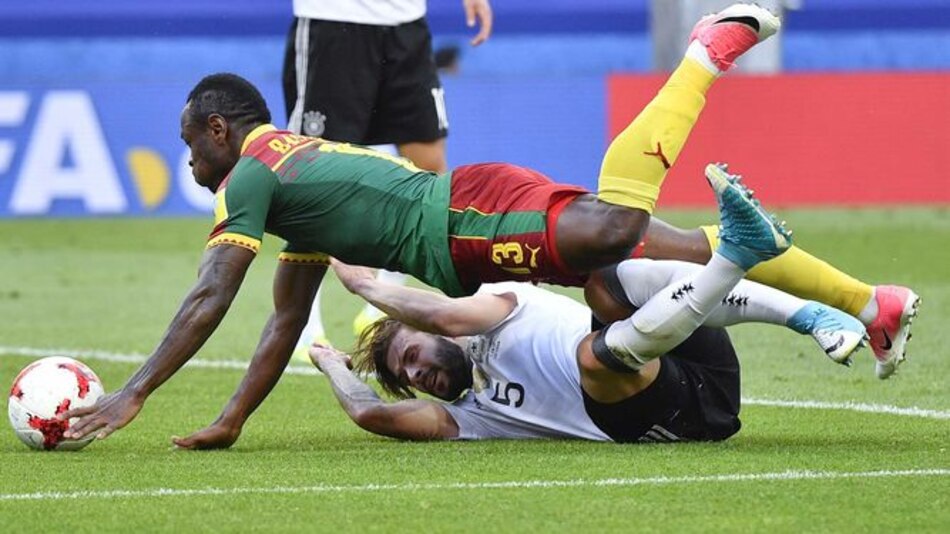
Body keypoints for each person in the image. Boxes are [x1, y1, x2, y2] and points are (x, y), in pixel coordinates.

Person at [60, 4, 917, 449]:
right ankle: (867, 303)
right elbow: (284, 318)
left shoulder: (250, 174)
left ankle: (701, 53)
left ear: (219, 130)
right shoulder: (292, 180)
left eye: (189, 146)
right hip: (468, 208)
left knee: (618, 229)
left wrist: (134, 390)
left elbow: (214, 293)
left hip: (462, 225)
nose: (190, 167)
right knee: (682, 255)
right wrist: (233, 419)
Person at [309, 167, 864, 442]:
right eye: (405, 373)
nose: (416, 369)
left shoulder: (497, 305)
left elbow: (445, 314)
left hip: (698, 363)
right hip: (670, 417)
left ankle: (809, 314)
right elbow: (371, 413)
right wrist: (333, 364)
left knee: (609, 276)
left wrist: (367, 287)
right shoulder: (472, 418)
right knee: (593, 359)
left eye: (410, 351)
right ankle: (734, 256)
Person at [283, 0, 492, 347]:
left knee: (428, 166)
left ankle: (382, 306)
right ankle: (303, 332)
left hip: (405, 22)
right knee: (314, 178)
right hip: (335, 20)